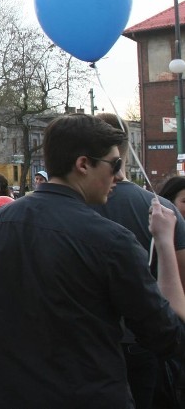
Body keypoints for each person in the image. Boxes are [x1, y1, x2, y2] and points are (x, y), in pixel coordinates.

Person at [0, 113, 185, 407]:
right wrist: (165, 243)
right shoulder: (113, 241)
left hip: (7, 394)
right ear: (83, 164)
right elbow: (168, 335)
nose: (119, 176)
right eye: (114, 165)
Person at [92, 113, 185, 408]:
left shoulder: (70, 209)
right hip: (143, 338)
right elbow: (181, 281)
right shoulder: (163, 210)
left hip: (86, 341)